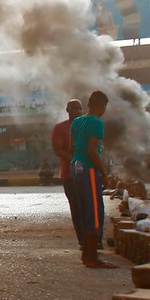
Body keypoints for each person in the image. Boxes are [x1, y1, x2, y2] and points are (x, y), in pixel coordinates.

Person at [71, 90, 116, 268]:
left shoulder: (77, 121)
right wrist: (104, 174)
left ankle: (86, 255)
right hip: (89, 168)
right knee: (95, 212)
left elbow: (71, 146)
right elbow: (91, 150)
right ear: (102, 106)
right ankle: (92, 258)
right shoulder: (97, 123)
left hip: (75, 166)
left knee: (84, 210)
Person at [52, 99, 85, 251]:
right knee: (76, 207)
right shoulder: (60, 128)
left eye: (79, 108)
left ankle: (93, 238)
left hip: (87, 173)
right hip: (69, 174)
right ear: (68, 110)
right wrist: (74, 160)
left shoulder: (86, 126)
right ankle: (82, 239)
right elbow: (58, 150)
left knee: (88, 207)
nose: (77, 111)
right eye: (74, 109)